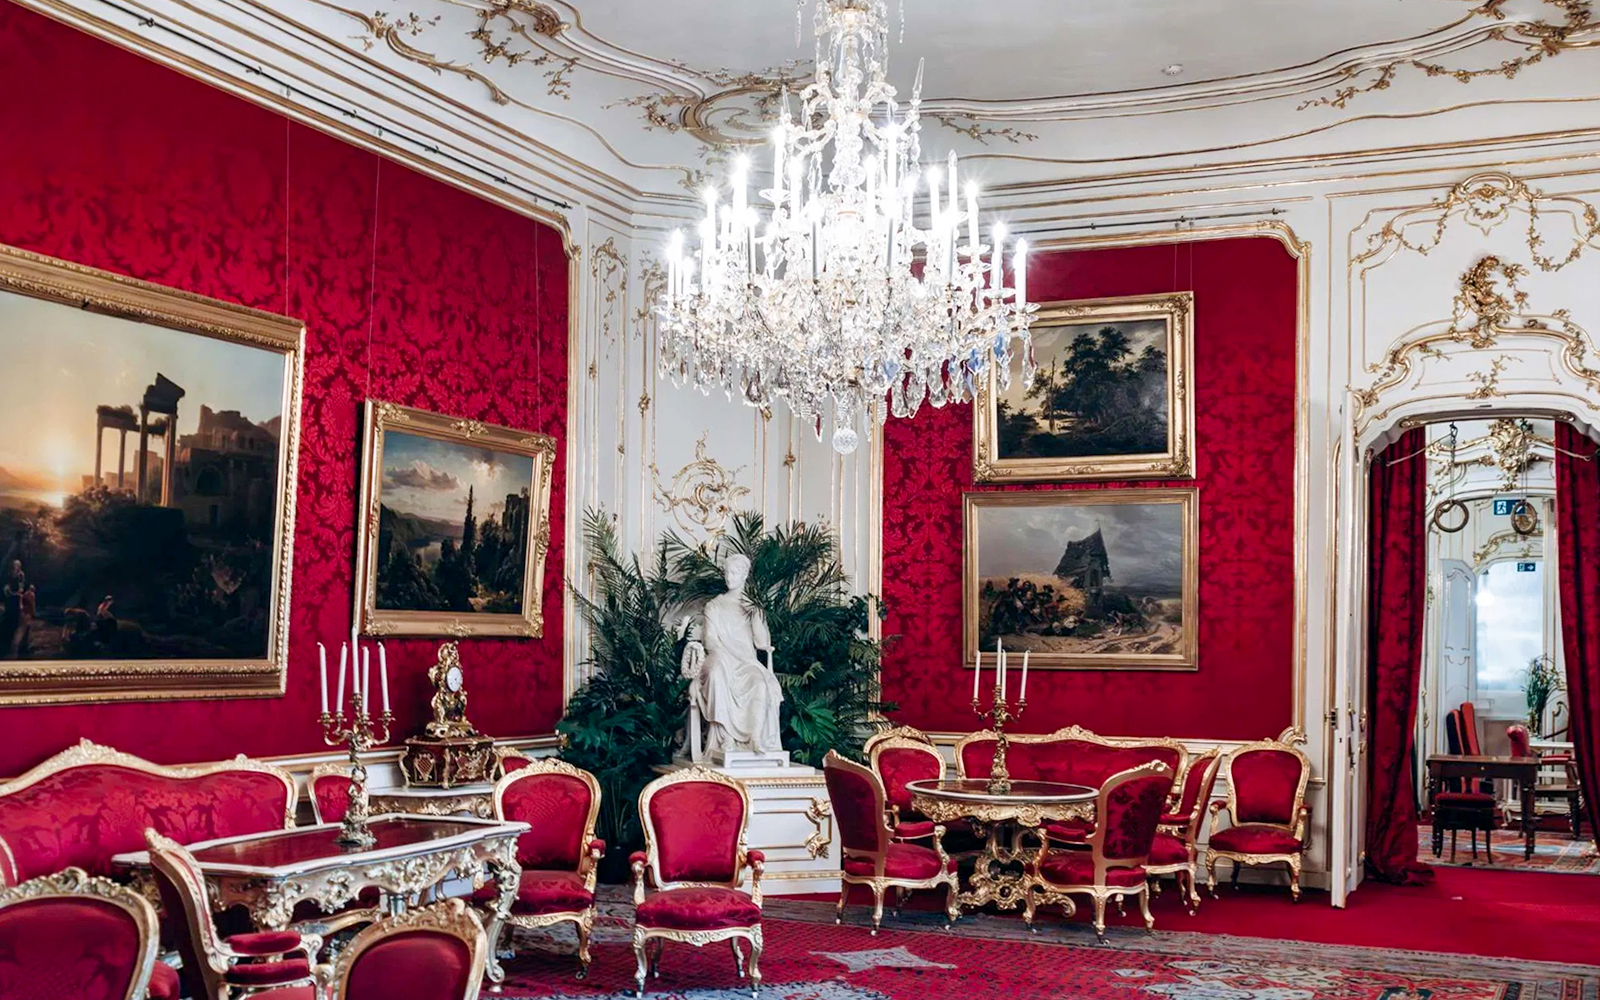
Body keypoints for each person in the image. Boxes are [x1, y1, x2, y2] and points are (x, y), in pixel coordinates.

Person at [680, 553, 784, 759]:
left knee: (760, 682)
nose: (729, 577)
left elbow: (761, 643)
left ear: (745, 575)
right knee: (718, 673)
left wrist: (756, 614)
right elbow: (709, 640)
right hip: (720, 657)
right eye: (727, 572)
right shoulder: (714, 605)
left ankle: (755, 737)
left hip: (746, 662)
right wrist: (724, 655)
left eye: (735, 572)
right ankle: (725, 737)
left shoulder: (752, 607)